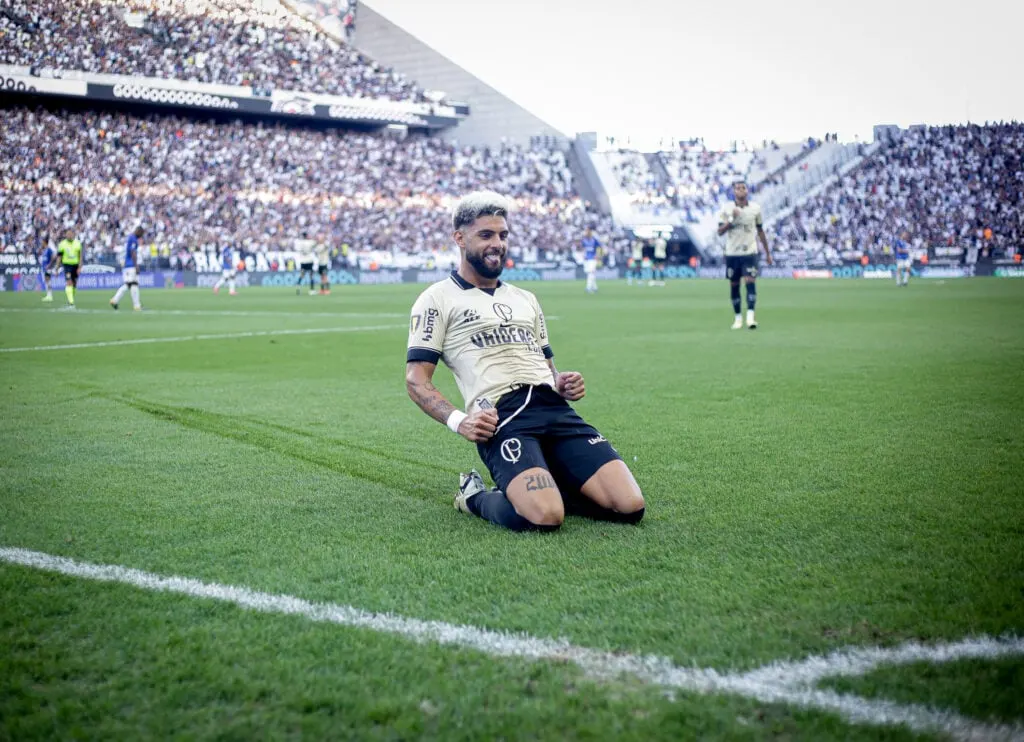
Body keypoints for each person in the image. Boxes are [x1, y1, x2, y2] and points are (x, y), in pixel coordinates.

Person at [405, 191, 645, 533]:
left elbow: (547, 367)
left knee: (629, 507)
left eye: (503, 235)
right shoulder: (436, 299)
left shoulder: (525, 299)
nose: (497, 244)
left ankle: (547, 480)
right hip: (504, 417)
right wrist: (461, 422)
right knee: (544, 517)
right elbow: (416, 379)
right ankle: (473, 497)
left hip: (555, 410)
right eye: (486, 235)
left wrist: (561, 382)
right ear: (459, 238)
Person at [717, 181, 772, 329]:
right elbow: (720, 231)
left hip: (750, 252)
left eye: (743, 188)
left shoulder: (755, 209)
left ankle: (750, 317)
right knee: (734, 285)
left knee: (750, 282)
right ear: (733, 192)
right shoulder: (727, 208)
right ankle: (737, 318)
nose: (741, 190)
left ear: (747, 191)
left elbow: (760, 231)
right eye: (737, 188)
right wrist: (731, 220)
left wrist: (767, 253)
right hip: (732, 253)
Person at [110, 226, 145, 310]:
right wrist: (136, 266)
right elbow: (133, 252)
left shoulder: (130, 238)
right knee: (134, 284)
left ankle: (115, 300)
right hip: (131, 265)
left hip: (127, 265)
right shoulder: (133, 239)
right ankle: (137, 306)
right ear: (139, 232)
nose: (141, 237)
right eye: (141, 234)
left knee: (129, 284)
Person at [56, 228, 83, 309]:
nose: (69, 235)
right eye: (67, 234)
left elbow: (80, 256)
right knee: (69, 282)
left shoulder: (78, 243)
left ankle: (70, 300)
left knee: (74, 284)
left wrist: (79, 267)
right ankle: (71, 303)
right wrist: (57, 268)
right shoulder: (62, 244)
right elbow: (59, 257)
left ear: (73, 234)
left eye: (70, 234)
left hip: (75, 265)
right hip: (67, 265)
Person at [38, 237, 58, 302]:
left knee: (48, 280)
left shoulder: (49, 249)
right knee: (46, 281)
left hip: (48, 268)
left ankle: (49, 296)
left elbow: (53, 257)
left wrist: (49, 265)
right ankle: (48, 295)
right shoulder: (44, 250)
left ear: (45, 242)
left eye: (42, 242)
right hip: (44, 268)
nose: (41, 243)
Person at [581, 226, 600, 294]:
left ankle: (588, 287)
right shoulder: (584, 240)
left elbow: (598, 247)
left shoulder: (594, 240)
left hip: (593, 259)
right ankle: (595, 287)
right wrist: (583, 255)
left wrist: (597, 255)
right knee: (590, 273)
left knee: (591, 272)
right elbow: (583, 248)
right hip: (586, 259)